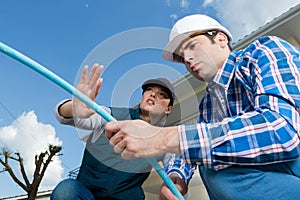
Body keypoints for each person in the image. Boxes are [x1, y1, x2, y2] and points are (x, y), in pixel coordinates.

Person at [105, 14, 300, 200]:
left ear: (221, 39)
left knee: (217, 169)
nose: (187, 59)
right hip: (268, 177)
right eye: (182, 57)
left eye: (192, 46)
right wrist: (176, 176)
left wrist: (163, 137)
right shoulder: (208, 104)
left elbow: (283, 130)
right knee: (211, 163)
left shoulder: (264, 52)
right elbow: (191, 148)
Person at [50, 63, 179, 200]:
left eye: (162, 94)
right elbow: (66, 116)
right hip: (85, 193)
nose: (153, 94)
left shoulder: (163, 139)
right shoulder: (110, 116)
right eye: (149, 90)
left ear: (168, 109)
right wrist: (75, 108)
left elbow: (175, 167)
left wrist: (176, 184)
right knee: (66, 190)